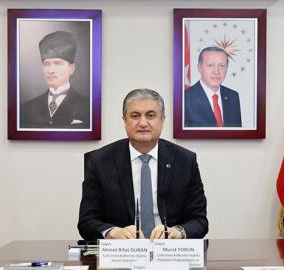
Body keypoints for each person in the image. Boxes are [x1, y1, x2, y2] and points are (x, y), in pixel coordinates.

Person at [78, 88, 208, 240]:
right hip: (122, 249)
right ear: (124, 121)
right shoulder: (100, 161)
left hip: (169, 249)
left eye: (151, 115)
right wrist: (112, 232)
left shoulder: (185, 161)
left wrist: (178, 231)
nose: (143, 123)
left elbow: (199, 221)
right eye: (135, 116)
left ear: (162, 119)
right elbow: (86, 221)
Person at [20, 30, 90, 129]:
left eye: (58, 63)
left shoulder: (89, 107)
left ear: (71, 68)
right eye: (46, 64)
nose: (50, 70)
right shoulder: (26, 108)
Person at [184, 46, 242, 127]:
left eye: (221, 65)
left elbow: (237, 133)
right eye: (210, 65)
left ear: (227, 68)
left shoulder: (233, 96)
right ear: (199, 68)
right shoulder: (185, 98)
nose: (216, 71)